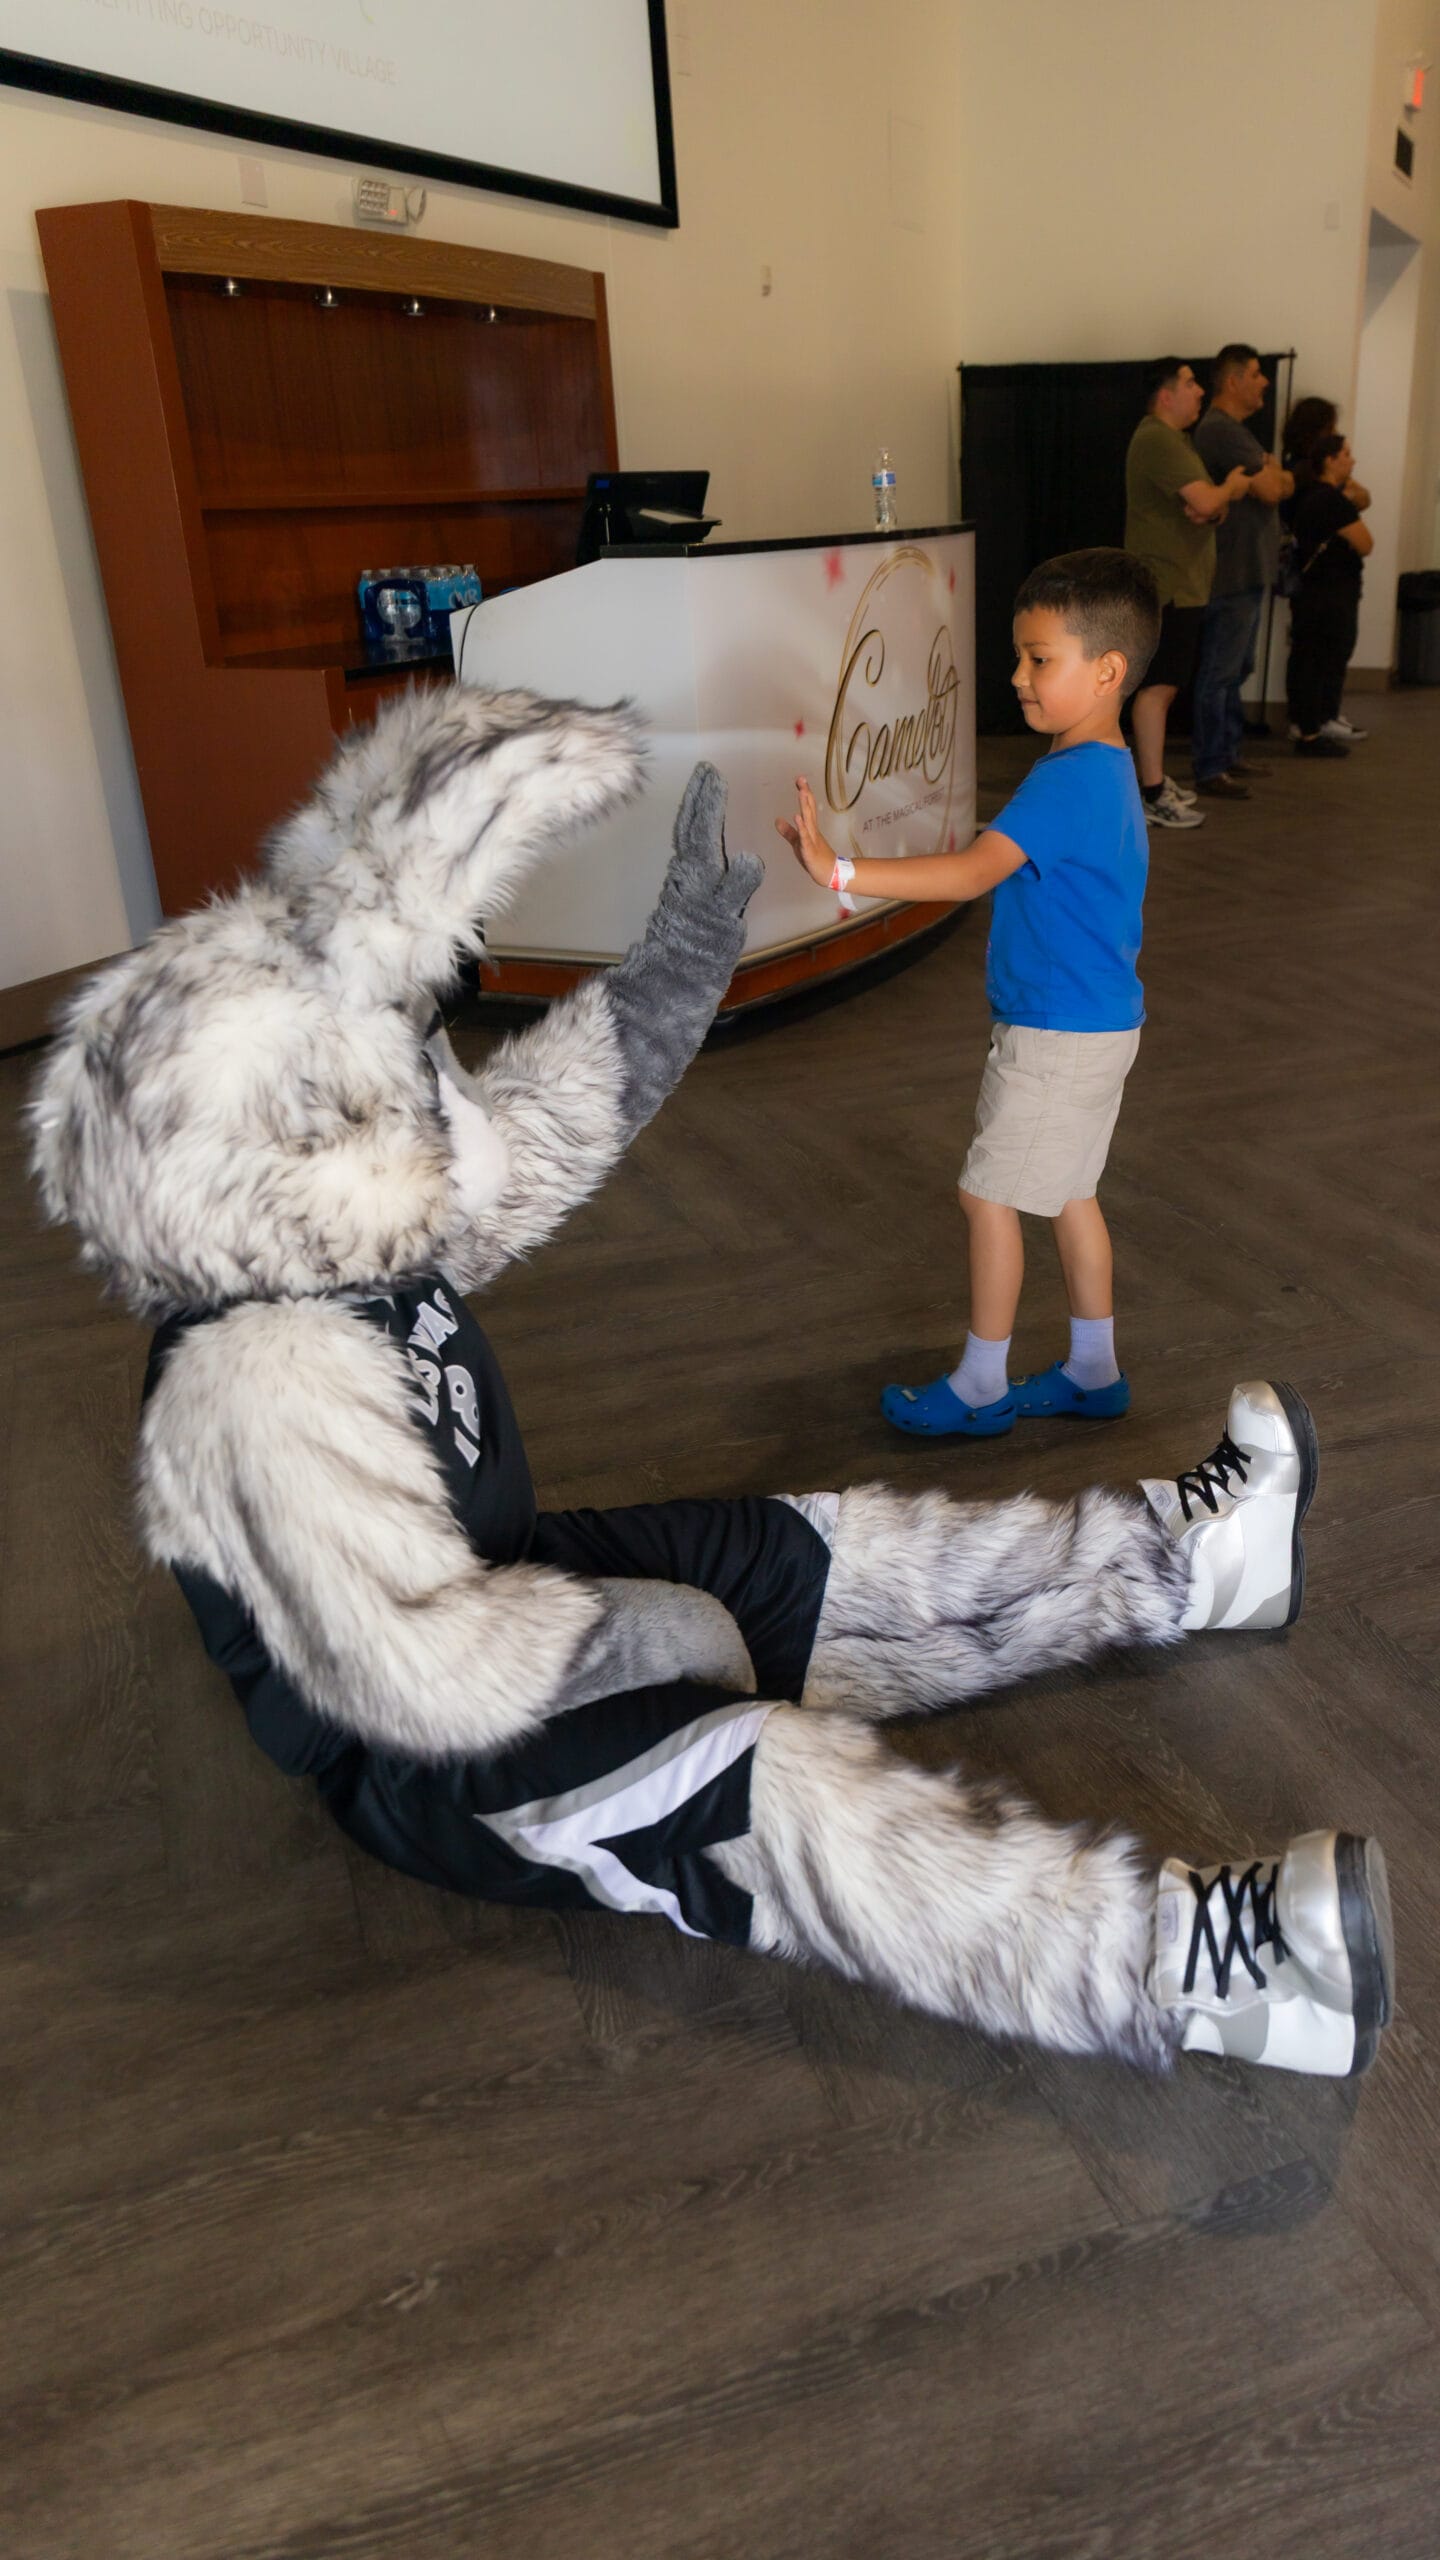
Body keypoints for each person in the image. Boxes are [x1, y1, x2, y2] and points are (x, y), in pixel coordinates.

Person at [777, 547, 1156, 1439]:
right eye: (1020, 657)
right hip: (1100, 1026)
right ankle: (1094, 1372)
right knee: (1069, 1194)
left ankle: (982, 1384)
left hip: (1055, 1036)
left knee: (990, 1198)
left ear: (1105, 671)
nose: (1019, 678)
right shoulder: (1103, 768)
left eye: (1039, 660)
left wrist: (842, 870)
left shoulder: (1068, 781)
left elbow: (971, 874)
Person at [1123, 358, 1253, 830]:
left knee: (1165, 686)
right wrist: (1233, 487)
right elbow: (1205, 503)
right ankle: (1152, 791)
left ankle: (1152, 783)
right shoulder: (1157, 438)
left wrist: (1214, 502)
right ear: (1165, 395)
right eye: (1190, 383)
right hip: (1168, 586)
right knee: (1157, 689)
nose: (1200, 391)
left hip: (1181, 585)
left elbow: (1203, 510)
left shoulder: (1172, 441)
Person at [1190, 346, 1292, 800]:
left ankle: (1227, 755)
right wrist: (1268, 470)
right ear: (1233, 381)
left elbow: (1282, 483)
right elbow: (1273, 489)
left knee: (1235, 669)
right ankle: (1211, 765)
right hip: (1230, 574)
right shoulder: (1220, 431)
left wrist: (1272, 473)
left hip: (1247, 570)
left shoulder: (1235, 433)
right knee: (1220, 671)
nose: (1264, 382)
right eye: (1255, 374)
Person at [1282, 397, 1373, 745]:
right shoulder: (1323, 496)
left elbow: (1363, 497)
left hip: (1319, 585)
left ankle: (1315, 719)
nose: (1352, 460)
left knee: (1316, 652)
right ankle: (1312, 722)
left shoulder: (1316, 489)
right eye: (1345, 453)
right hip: (1329, 587)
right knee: (1322, 653)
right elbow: (1365, 543)